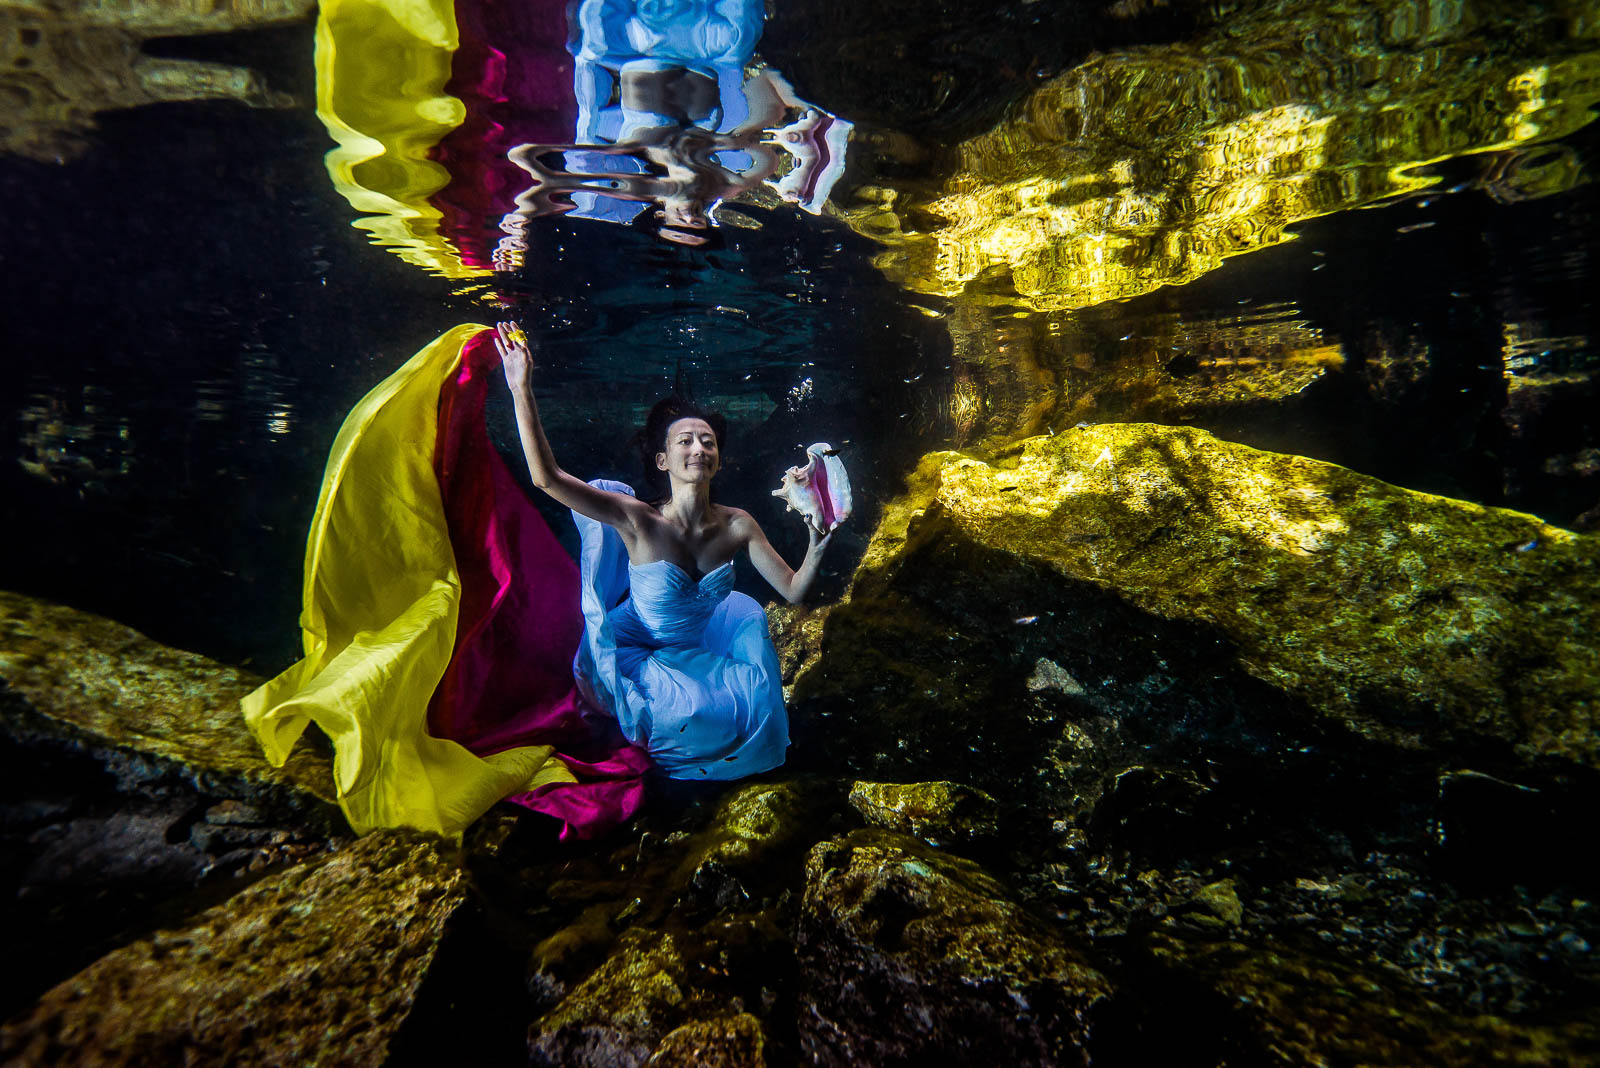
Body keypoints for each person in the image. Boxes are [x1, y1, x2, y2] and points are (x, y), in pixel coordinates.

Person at [494, 321, 830, 777]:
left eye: (708, 441)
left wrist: (818, 541)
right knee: (687, 716)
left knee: (750, 704)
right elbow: (546, 478)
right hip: (637, 648)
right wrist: (520, 387)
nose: (699, 448)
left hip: (696, 645)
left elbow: (792, 591)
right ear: (663, 460)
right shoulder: (637, 519)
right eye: (685, 441)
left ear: (718, 459)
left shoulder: (738, 525)